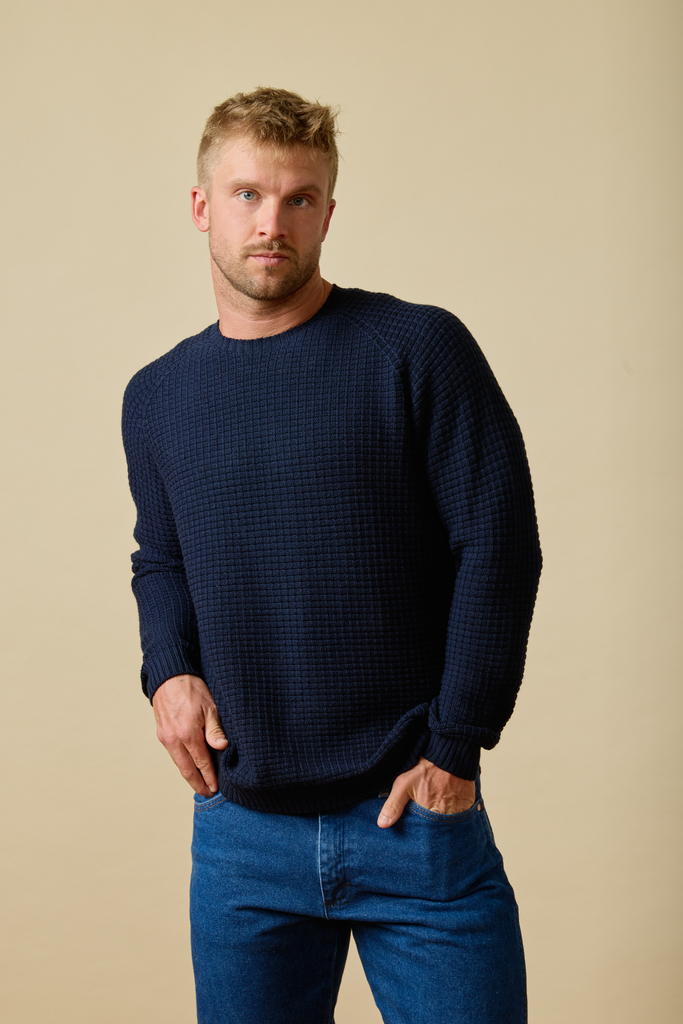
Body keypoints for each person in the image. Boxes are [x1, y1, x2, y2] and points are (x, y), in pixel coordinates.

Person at [122, 86, 542, 1024]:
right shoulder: (156, 396)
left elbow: (498, 545)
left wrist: (455, 747)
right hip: (240, 841)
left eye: (299, 198)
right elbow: (163, 557)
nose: (271, 223)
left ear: (328, 211)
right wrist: (169, 669)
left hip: (412, 821)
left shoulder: (415, 349)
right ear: (201, 206)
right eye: (246, 195)